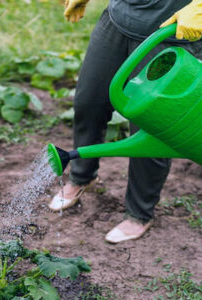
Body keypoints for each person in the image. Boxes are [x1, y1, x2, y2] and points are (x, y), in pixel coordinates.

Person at [49, 0, 202, 243]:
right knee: (89, 102)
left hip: (172, 30)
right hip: (119, 17)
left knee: (151, 128)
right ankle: (82, 176)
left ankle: (139, 213)